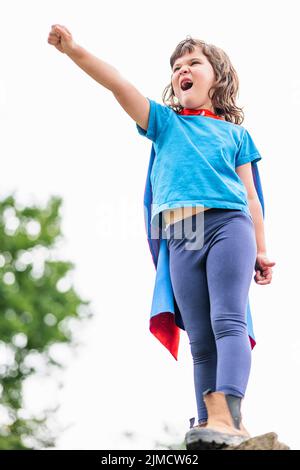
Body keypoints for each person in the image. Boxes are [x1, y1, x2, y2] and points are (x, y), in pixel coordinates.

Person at [48, 27, 276, 449]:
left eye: (193, 63)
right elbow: (118, 83)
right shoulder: (164, 123)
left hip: (229, 224)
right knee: (201, 339)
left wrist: (261, 249)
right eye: (176, 67)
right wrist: (75, 51)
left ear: (217, 78)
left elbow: (251, 197)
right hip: (182, 234)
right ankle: (211, 423)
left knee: (229, 321)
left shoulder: (236, 135)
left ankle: (230, 413)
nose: (182, 70)